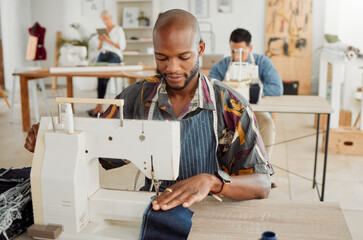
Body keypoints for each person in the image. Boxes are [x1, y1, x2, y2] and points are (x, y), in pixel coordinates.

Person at [25, 9, 273, 212]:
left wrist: (212, 182)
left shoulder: (230, 104)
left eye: (183, 57)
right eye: (161, 57)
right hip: (155, 207)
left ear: (200, 49)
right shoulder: (138, 97)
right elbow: (96, 148)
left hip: (211, 212)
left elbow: (261, 184)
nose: (172, 68)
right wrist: (54, 138)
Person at [209, 28, 283, 159]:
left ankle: (264, 165)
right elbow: (210, 86)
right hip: (231, 111)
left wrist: (250, 93)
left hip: (256, 112)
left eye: (241, 52)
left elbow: (276, 88)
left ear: (250, 48)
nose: (236, 56)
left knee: (267, 124)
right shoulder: (223, 65)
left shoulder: (263, 62)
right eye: (233, 51)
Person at [87, 10, 127, 117]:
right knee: (100, 78)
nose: (105, 21)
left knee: (104, 78)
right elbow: (99, 48)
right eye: (103, 20)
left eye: (106, 19)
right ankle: (99, 107)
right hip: (102, 55)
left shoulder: (118, 30)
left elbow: (122, 47)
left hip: (114, 55)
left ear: (111, 18)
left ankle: (99, 107)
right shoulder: (103, 31)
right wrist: (101, 41)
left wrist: (108, 40)